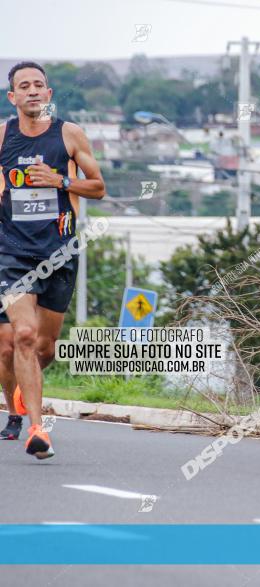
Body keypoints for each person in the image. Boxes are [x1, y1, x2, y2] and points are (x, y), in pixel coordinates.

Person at [0, 61, 106, 458]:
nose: (31, 91)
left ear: (48, 93)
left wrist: (61, 180)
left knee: (45, 348)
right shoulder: (3, 137)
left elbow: (98, 187)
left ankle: (21, 394)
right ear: (12, 97)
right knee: (20, 337)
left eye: (38, 85)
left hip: (59, 253)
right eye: (23, 86)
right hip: (11, 254)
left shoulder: (69, 134)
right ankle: (36, 430)